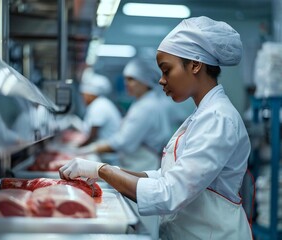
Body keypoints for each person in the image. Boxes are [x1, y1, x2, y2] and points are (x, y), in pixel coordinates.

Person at [59, 16, 252, 240]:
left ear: (195, 65)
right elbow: (165, 176)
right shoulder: (203, 115)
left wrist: (103, 170)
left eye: (166, 70)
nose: (160, 80)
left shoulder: (218, 119)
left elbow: (170, 193)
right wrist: (103, 172)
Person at [78, 58, 172, 172]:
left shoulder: (146, 106)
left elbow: (122, 142)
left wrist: (89, 149)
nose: (126, 83)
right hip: (136, 162)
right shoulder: (143, 101)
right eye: (125, 79)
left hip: (142, 164)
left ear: (145, 81)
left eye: (131, 79)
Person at [78, 70, 122, 165]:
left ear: (91, 94)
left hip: (108, 157)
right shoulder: (100, 103)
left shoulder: (99, 106)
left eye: (84, 95)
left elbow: (93, 135)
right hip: (104, 154)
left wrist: (76, 148)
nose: (83, 98)